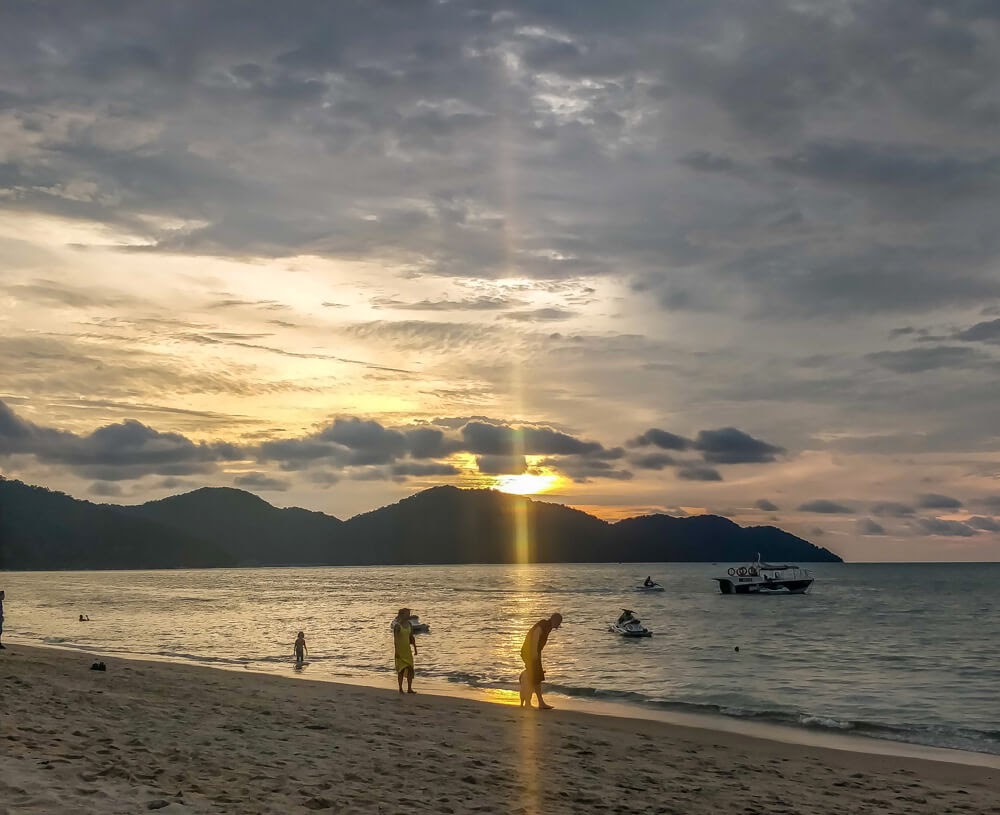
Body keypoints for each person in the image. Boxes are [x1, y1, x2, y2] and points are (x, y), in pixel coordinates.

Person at [519, 612, 562, 710]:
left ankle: (539, 702)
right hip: (530, 652)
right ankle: (530, 703)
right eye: (558, 623)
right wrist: (534, 652)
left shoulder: (548, 626)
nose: (558, 626)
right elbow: (536, 634)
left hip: (532, 652)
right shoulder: (544, 624)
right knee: (534, 676)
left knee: (537, 677)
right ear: (555, 620)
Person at [392, 607, 418, 694]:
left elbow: (411, 637)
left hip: (407, 650)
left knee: (410, 668)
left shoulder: (409, 624)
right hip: (400, 651)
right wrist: (396, 652)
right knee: (401, 670)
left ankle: (409, 688)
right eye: (407, 614)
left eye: (409, 614)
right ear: (402, 615)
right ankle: (400, 688)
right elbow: (395, 640)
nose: (409, 615)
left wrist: (415, 648)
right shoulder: (397, 626)